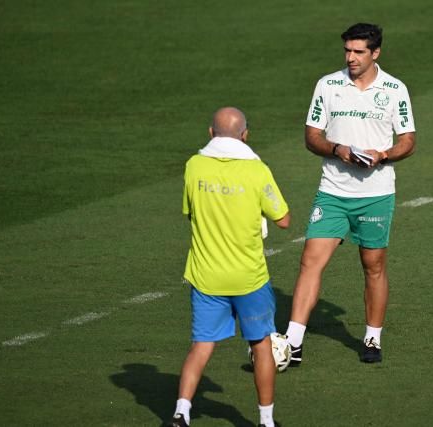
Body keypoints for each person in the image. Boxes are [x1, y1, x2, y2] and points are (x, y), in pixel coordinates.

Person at [284, 23, 416, 364]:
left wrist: (382, 155)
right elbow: (312, 136)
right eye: (347, 51)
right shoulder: (328, 85)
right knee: (310, 262)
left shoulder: (395, 89)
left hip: (375, 193)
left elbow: (408, 141)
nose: (351, 57)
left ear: (375, 53)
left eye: (358, 52)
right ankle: (292, 342)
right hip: (332, 191)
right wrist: (336, 149)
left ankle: (372, 338)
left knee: (373, 265)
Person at [167, 107, 290, 427]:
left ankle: (181, 412)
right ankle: (266, 421)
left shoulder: (193, 167)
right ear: (245, 135)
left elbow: (189, 212)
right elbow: (285, 220)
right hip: (249, 278)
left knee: (201, 345)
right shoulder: (257, 171)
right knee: (261, 345)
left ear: (211, 133)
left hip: (207, 276)